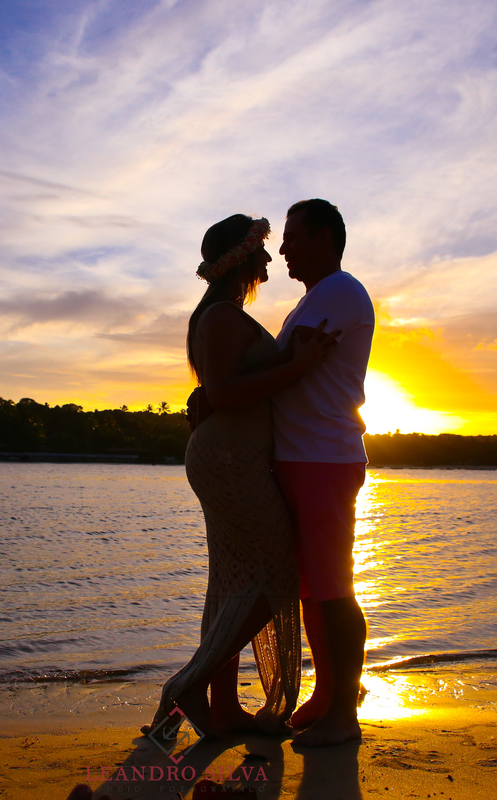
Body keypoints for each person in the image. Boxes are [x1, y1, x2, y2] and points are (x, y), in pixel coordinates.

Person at [144, 214, 338, 739]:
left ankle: (224, 708)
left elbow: (215, 393)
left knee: (231, 582)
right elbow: (227, 392)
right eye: (261, 251)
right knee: (275, 574)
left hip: (235, 458)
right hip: (230, 463)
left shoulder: (221, 316)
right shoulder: (222, 317)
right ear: (241, 258)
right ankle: (189, 684)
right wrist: (299, 366)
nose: (270, 259)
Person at [271, 199, 374, 747]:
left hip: (323, 459)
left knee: (334, 590)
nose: (283, 249)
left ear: (324, 237)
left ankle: (344, 717)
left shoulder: (339, 292)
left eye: (292, 236)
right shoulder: (315, 299)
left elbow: (279, 366)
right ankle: (326, 695)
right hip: (303, 457)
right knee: (314, 590)